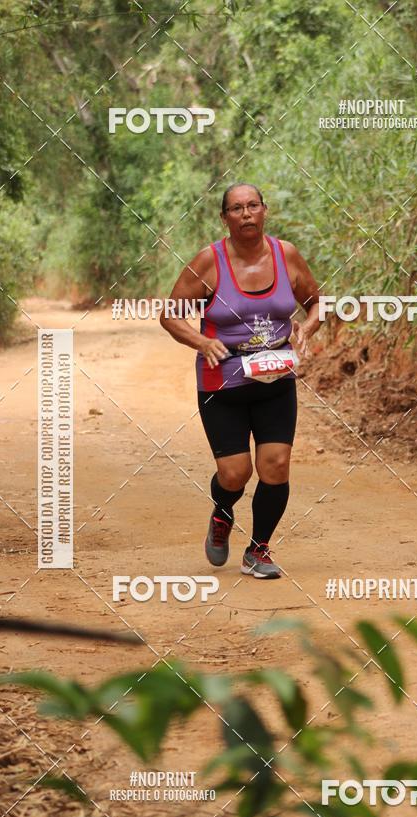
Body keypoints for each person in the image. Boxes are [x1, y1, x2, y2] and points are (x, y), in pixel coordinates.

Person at [160, 182, 322, 578]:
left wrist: (307, 327)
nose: (246, 213)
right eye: (236, 208)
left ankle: (259, 549)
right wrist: (201, 340)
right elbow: (170, 315)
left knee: (276, 465)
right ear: (225, 218)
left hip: (275, 380)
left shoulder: (287, 255)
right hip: (223, 383)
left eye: (253, 206)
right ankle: (222, 513)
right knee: (235, 474)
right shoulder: (209, 262)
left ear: (265, 210)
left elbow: (317, 302)